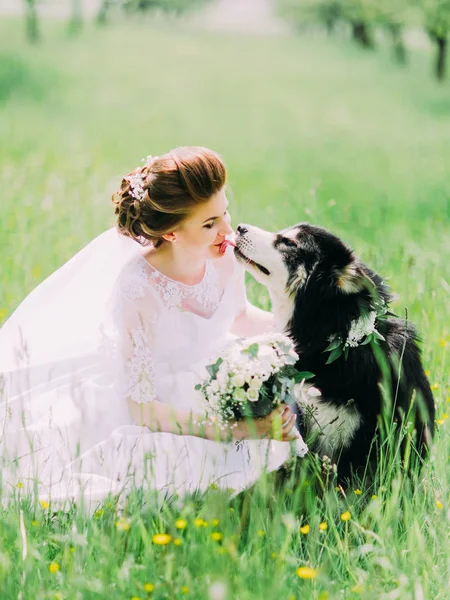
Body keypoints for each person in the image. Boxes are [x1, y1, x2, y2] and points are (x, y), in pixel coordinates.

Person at [0, 146, 305, 510]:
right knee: (188, 475)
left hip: (210, 375)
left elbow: (237, 315)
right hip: (154, 403)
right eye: (209, 224)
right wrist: (242, 430)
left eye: (224, 212)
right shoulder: (138, 291)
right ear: (172, 234)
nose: (227, 230)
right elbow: (145, 409)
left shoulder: (224, 257)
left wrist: (300, 334)